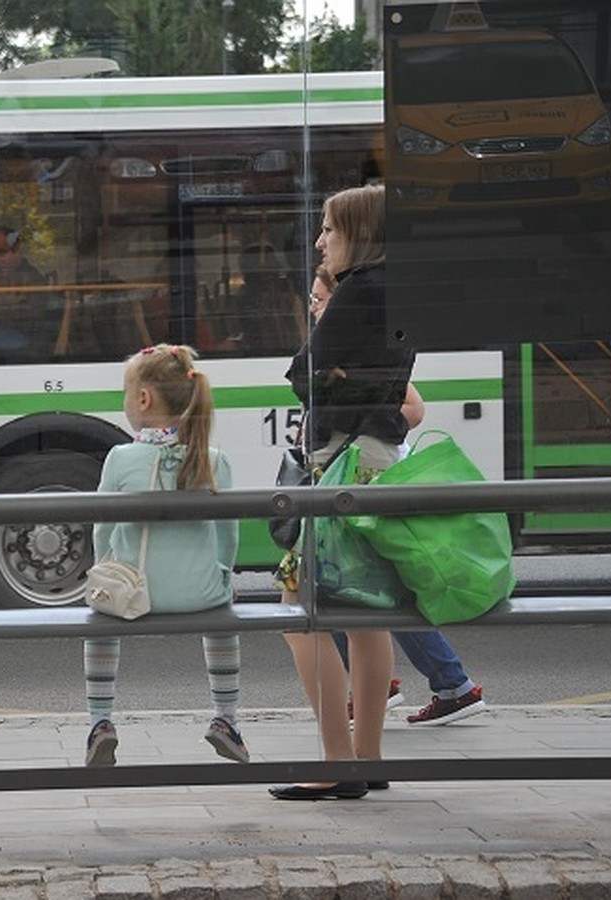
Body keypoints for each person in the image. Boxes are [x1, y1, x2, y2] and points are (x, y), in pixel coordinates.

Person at [271, 184, 414, 801]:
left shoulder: (357, 293)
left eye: (330, 228)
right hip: (376, 456)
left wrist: (327, 366)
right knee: (365, 616)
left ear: (359, 231)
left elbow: (303, 375)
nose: (321, 240)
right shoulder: (399, 290)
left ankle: (336, 759)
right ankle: (368, 755)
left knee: (300, 612)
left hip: (344, 463)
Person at [312, 267, 489, 728]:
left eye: (319, 300)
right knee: (348, 584)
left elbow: (411, 407)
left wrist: (362, 418)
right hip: (353, 473)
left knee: (349, 584)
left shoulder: (359, 348)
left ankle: (447, 684)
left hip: (366, 477)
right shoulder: (337, 348)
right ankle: (422, 683)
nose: (313, 308)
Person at [83, 343, 247, 768]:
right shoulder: (214, 460)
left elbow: (103, 528)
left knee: (100, 621)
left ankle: (100, 721)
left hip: (133, 595)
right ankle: (225, 718)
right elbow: (228, 536)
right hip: (201, 596)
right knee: (225, 612)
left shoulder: (120, 459)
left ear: (143, 399)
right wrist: (222, 576)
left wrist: (105, 570)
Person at [0, 225, 63, 361]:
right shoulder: (6, 281)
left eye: (2, 253)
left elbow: (32, 331)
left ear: (18, 251)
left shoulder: (30, 282)